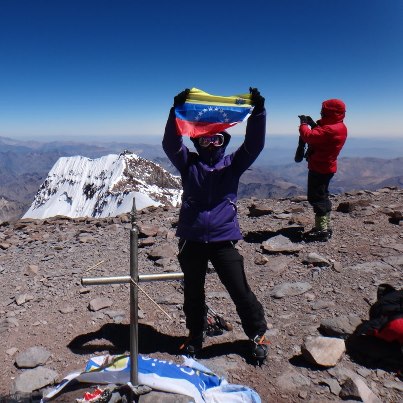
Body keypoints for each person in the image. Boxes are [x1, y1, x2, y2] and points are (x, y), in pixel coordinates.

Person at [162, 88, 269, 364]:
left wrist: (258, 113)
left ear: (224, 140)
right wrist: (175, 112)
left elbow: (254, 145)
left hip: (223, 238)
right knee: (193, 293)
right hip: (192, 239)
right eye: (205, 139)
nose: (212, 144)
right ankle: (195, 336)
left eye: (217, 138)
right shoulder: (189, 165)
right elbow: (170, 145)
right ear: (197, 142)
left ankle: (257, 334)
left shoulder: (233, 165)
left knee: (239, 289)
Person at [297, 99, 347, 242]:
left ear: (329, 112)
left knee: (316, 198)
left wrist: (304, 124)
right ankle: (325, 226)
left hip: (319, 168)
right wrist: (313, 124)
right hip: (326, 167)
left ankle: (322, 230)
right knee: (322, 195)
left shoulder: (330, 129)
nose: (320, 112)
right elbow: (322, 135)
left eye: (323, 111)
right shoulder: (339, 126)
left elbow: (309, 136)